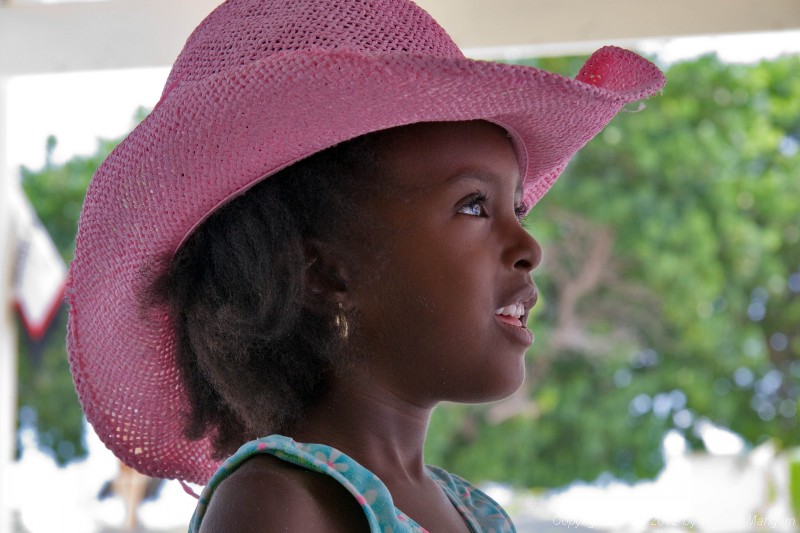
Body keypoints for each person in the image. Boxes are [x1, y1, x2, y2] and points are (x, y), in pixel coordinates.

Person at [66, 0, 665, 531]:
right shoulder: (279, 504)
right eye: (475, 205)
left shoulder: (475, 513)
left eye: (519, 207)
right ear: (324, 273)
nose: (530, 246)